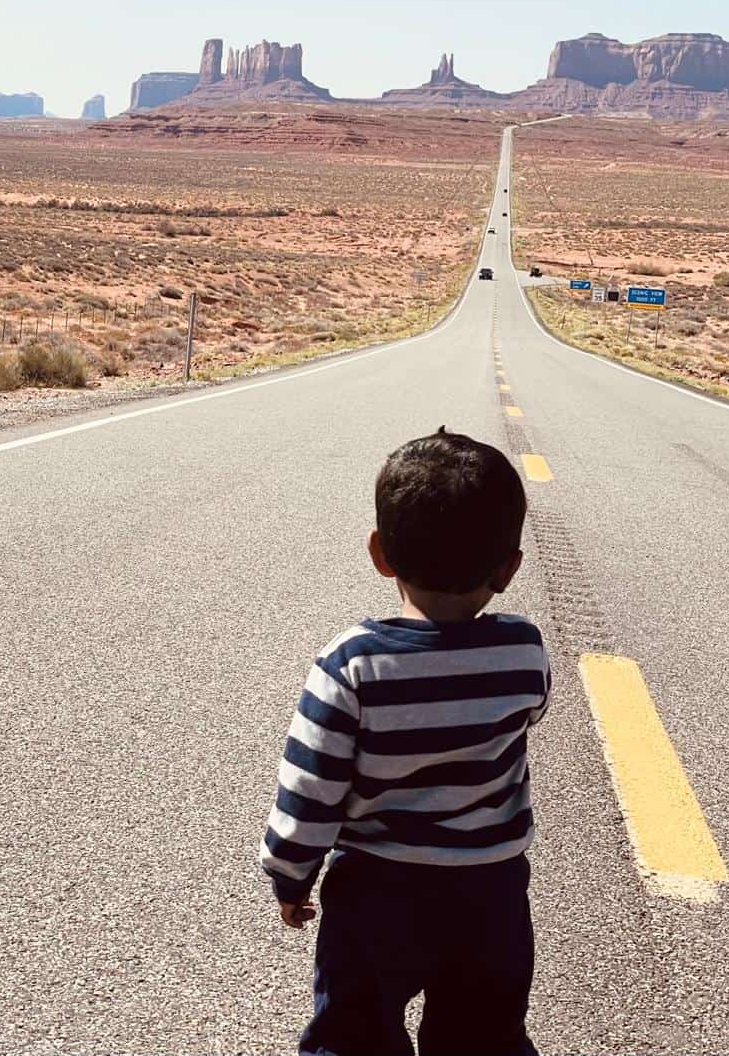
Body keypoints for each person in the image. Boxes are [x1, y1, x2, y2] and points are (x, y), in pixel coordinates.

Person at [260, 427, 550, 1056]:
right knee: (484, 1037)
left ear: (380, 553)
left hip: (375, 897)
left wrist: (291, 876)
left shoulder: (353, 665)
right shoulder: (523, 650)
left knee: (354, 1033)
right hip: (491, 896)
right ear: (508, 569)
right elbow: (530, 716)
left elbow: (310, 791)